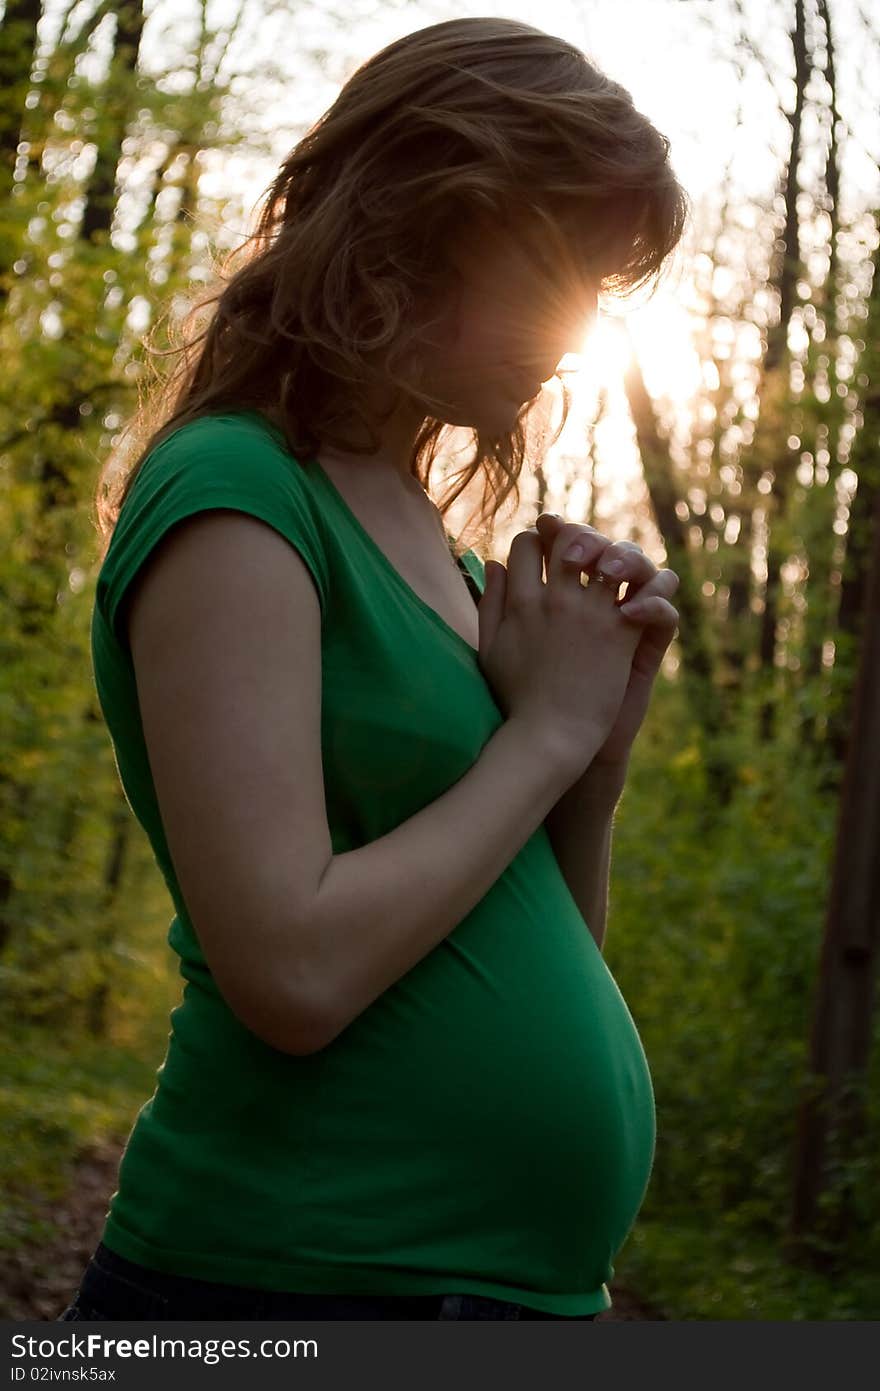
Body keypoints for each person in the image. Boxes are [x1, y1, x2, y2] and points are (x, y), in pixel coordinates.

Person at [59, 16, 687, 1322]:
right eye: (559, 259)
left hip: (499, 1300)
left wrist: (591, 763)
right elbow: (288, 975)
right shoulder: (237, 494)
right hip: (288, 1287)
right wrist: (541, 739)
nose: (575, 327)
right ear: (425, 214)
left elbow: (534, 944)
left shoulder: (441, 549)